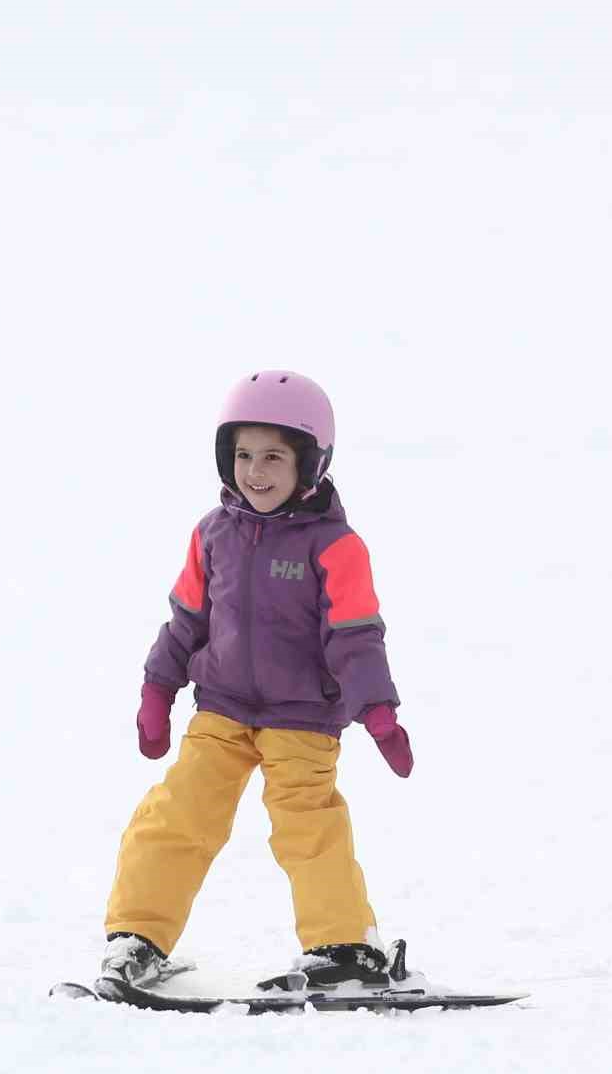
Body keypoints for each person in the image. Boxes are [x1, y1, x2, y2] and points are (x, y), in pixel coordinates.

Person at [100, 370, 416, 988]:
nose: (256, 471)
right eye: (243, 454)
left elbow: (354, 635)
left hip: (302, 717)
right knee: (177, 814)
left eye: (274, 455)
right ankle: (137, 936)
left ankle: (345, 947)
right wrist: (157, 689)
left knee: (308, 824)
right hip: (221, 709)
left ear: (311, 462)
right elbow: (187, 621)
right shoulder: (212, 534)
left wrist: (377, 711)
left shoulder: (336, 546)